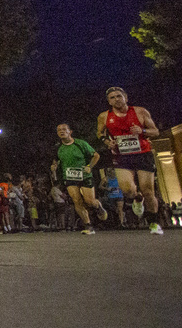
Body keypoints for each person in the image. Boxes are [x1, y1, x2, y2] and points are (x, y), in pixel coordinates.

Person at [96, 87, 163, 235]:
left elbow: (156, 131)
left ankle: (154, 223)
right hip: (122, 156)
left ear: (126, 97)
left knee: (148, 190)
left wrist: (143, 131)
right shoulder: (104, 116)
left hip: (142, 153)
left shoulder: (140, 112)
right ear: (108, 101)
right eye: (112, 98)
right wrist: (107, 142)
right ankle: (137, 198)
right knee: (127, 190)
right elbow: (99, 133)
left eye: (119, 96)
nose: (116, 99)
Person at [51, 124, 108, 235]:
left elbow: (96, 156)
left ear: (70, 131)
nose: (61, 132)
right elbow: (55, 160)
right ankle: (88, 226)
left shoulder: (81, 143)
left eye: (64, 129)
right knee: (77, 200)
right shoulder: (57, 147)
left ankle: (98, 206)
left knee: (89, 201)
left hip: (85, 176)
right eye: (59, 130)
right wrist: (54, 166)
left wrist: (89, 167)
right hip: (69, 176)